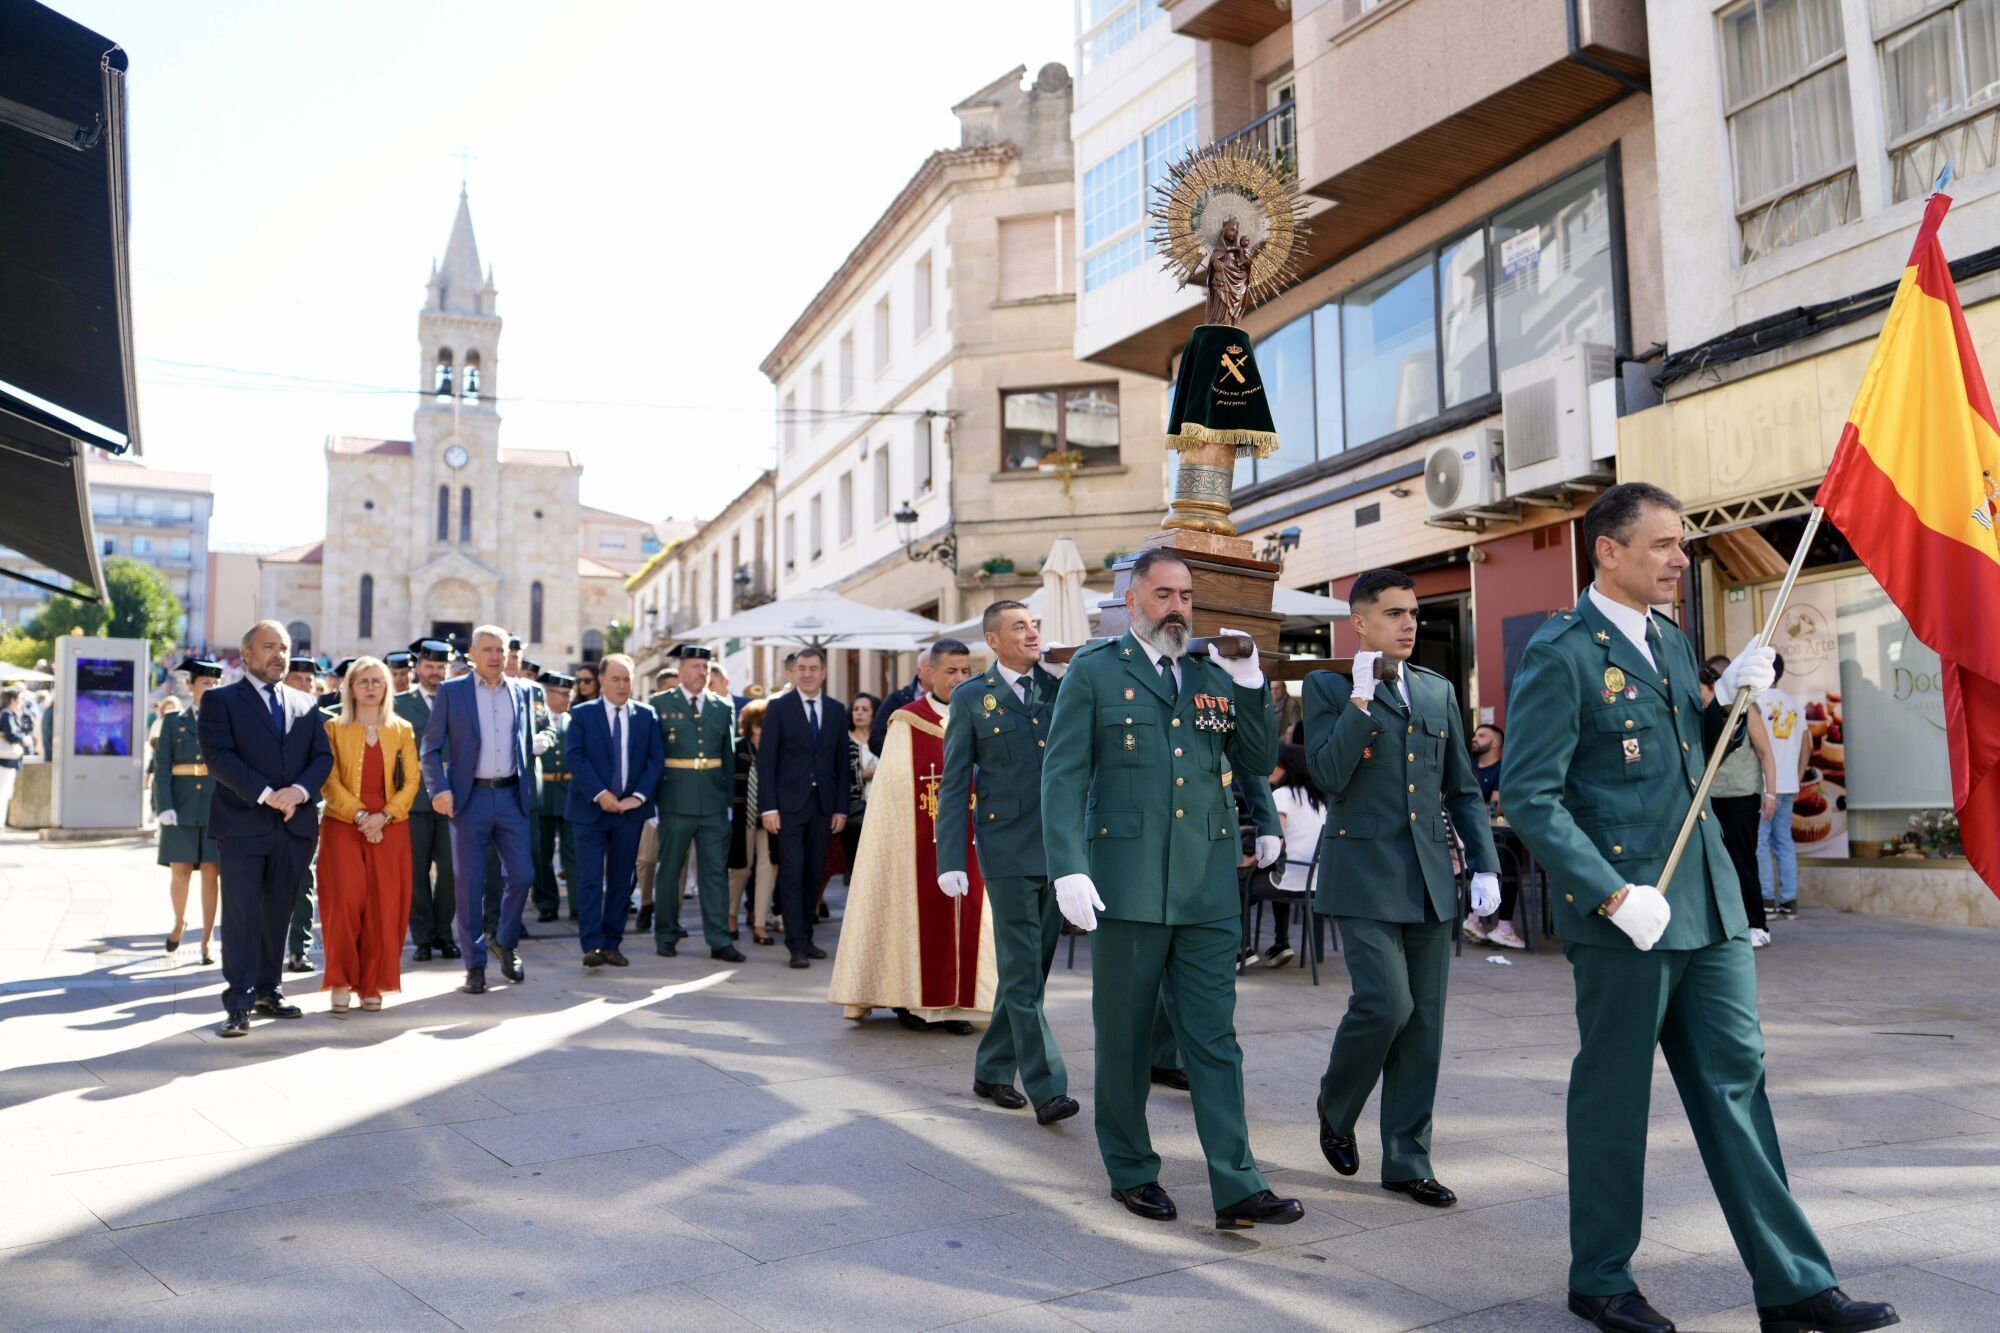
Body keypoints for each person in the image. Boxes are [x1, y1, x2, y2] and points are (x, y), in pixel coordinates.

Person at [1502, 482, 1896, 1333]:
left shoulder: (1675, 643)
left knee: (1737, 1086)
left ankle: (1792, 1284)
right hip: (1628, 912)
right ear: (1608, 551)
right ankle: (1600, 1276)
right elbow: (1531, 796)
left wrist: (1723, 698)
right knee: (1613, 1095)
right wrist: (1607, 891)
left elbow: (1688, 757)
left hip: (1705, 902)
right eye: (1663, 545)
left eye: (1682, 544)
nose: (1681, 559)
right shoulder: (1561, 652)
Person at [1041, 549, 1298, 1230]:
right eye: (1164, 594)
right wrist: (1067, 865)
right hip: (1125, 885)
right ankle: (1130, 1167)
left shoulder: (1214, 674)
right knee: (1124, 1037)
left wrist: (1250, 683)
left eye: (1186, 595)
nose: (1178, 607)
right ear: (1132, 601)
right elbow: (1063, 777)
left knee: (1214, 1037)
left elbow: (1251, 762)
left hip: (1208, 882)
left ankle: (1238, 1183)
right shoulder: (1096, 672)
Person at [1304, 568, 1499, 1210]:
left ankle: (1407, 1159)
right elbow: (1331, 774)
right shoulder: (1328, 687)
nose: (1410, 623)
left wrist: (1486, 863)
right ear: (1359, 622)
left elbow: (1461, 789)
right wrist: (1360, 700)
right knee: (1386, 1005)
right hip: (1361, 875)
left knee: (1426, 1027)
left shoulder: (1438, 691)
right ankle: (1337, 1106)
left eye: (1413, 612)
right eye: (1394, 613)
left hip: (1428, 879)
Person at [935, 602, 1079, 1123]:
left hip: (1059, 850)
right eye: (1020, 626)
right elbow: (954, 785)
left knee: (1031, 972)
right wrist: (949, 856)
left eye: (1035, 624)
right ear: (993, 640)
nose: (1033, 632)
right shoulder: (973, 698)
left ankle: (993, 1068)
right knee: (1021, 971)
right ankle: (1048, 1087)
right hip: (1005, 851)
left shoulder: (1060, 687)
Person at [831, 638, 995, 1030]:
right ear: (929, 674)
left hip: (973, 839)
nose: (958, 679)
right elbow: (891, 797)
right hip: (917, 843)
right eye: (950, 672)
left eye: (964, 671)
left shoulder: (983, 714)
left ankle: (956, 1005)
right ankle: (913, 1003)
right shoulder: (907, 722)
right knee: (914, 913)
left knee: (969, 914)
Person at [198, 620, 334, 1037]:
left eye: (284, 648)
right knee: (241, 915)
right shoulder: (220, 701)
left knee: (279, 911)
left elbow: (321, 757)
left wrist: (297, 791)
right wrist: (266, 794)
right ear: (247, 655)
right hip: (243, 826)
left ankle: (268, 990)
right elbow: (219, 758)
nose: (279, 655)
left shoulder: (305, 703)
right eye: (269, 647)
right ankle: (238, 1001)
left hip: (294, 827)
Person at [421, 623, 549, 994]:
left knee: (523, 876)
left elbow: (536, 735)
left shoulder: (524, 692)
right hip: (469, 799)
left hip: (512, 797)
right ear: (473, 655)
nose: (496, 656)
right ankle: (474, 964)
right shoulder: (452, 692)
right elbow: (429, 749)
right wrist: (438, 790)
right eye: (488, 650)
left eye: (502, 650)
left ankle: (504, 943)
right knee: (469, 885)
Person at [317, 656, 420, 1012]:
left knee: (383, 905)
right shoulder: (333, 729)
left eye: (378, 681)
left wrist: (385, 816)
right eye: (364, 681)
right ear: (350, 688)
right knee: (343, 904)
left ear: (388, 687)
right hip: (343, 823)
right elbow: (328, 781)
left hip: (390, 826)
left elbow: (412, 782)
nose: (371, 687)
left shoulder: (402, 729)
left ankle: (373, 983)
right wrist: (361, 815)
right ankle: (342, 979)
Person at [565, 653, 663, 967]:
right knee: (590, 878)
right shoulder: (582, 714)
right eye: (616, 679)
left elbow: (654, 760)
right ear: (602, 681)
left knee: (622, 880)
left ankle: (611, 943)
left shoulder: (646, 715)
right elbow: (576, 758)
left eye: (627, 680)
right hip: (590, 810)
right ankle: (592, 945)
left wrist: (637, 797)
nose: (622, 686)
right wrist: (600, 794)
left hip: (629, 812)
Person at [756, 645, 850, 967]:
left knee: (814, 874)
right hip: (788, 806)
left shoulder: (837, 711)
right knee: (792, 873)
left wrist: (840, 809)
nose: (807, 674)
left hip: (823, 806)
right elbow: (765, 761)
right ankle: (795, 943)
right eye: (802, 668)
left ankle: (807, 936)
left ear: (823, 672)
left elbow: (842, 763)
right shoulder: (779, 709)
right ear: (794, 672)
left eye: (813, 668)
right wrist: (768, 808)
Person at [651, 646, 740, 961]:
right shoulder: (660, 705)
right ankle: (665, 933)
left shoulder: (721, 707)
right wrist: (653, 804)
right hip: (674, 800)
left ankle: (719, 939)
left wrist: (728, 802)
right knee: (670, 870)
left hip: (713, 802)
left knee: (714, 872)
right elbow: (653, 757)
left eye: (705, 667)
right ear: (681, 670)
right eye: (695, 666)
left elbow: (728, 757)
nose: (702, 673)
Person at [153, 659, 223, 964]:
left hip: (213, 806)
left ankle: (207, 941)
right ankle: (179, 922)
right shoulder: (173, 722)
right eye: (205, 683)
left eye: (215, 684)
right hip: (180, 806)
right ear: (190, 686)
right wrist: (164, 805)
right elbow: (161, 767)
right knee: (180, 872)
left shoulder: (226, 722)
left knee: (211, 872)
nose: (210, 688)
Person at [1704, 656, 1778, 950]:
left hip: (1741, 795)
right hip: (1710, 796)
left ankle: (1757, 924)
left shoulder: (1748, 709)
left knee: (1742, 860)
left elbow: (1765, 752)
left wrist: (1770, 793)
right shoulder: (1705, 712)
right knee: (1717, 864)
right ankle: (1728, 923)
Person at [396, 640, 459, 961]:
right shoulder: (400, 704)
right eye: (430, 667)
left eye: (441, 667)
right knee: (415, 870)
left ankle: (444, 933)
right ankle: (421, 937)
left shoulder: (459, 701)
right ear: (418, 667)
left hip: (452, 797)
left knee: (450, 870)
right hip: (414, 797)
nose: (435, 673)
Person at [1249, 743, 1323, 968]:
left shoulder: (1282, 795)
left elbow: (1275, 841)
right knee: (1274, 874)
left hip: (1290, 877)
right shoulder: (1318, 798)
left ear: (1289, 768)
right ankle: (1281, 943)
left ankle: (1240, 949)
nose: (1270, 768)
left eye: (1276, 764)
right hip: (1315, 881)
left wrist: (1248, 860)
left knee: (1238, 885)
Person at [1755, 654, 1811, 919]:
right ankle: (1789, 901)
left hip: (1764, 785)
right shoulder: (1794, 704)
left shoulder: (1755, 702)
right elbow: (1806, 744)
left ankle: (1766, 899)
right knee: (1784, 842)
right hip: (1788, 784)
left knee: (1760, 842)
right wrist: (1796, 776)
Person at [1462, 723, 1526, 949]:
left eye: (1482, 735)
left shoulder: (1503, 769)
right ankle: (1501, 926)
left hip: (1489, 836)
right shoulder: (1467, 767)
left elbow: (1497, 807)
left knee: (1506, 851)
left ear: (1496, 742)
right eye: (1475, 734)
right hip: (1469, 838)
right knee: (1506, 855)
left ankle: (1477, 920)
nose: (1475, 738)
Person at [634, 662, 684, 933]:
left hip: (681, 798)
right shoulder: (649, 718)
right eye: (668, 690)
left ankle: (672, 914)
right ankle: (646, 902)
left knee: (679, 860)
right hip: (653, 797)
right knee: (647, 858)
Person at [281, 654, 323, 972]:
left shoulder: (323, 719)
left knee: (303, 880)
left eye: (310, 680)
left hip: (308, 808)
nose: (306, 684)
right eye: (299, 679)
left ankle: (299, 948)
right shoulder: (269, 715)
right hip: (269, 808)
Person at [729, 699, 778, 945]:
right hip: (741, 818)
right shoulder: (737, 747)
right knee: (740, 869)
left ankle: (759, 923)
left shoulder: (775, 749)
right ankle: (731, 916)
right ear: (755, 727)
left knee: (767, 869)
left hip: (769, 818)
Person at [532, 671, 578, 924]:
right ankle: (546, 902)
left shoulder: (576, 721)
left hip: (570, 792)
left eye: (569, 694)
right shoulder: (537, 720)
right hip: (544, 792)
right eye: (561, 694)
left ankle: (577, 904)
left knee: (574, 850)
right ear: (548, 694)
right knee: (541, 851)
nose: (567, 699)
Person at [843, 692, 879, 882]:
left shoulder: (882, 740)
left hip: (879, 810)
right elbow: (839, 774)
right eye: (856, 709)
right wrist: (862, 775)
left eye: (865, 709)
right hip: (853, 813)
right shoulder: (845, 741)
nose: (859, 713)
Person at [870, 660, 930, 757]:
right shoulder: (897, 699)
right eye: (930, 668)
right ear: (919, 672)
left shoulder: (951, 699)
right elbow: (876, 738)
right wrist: (901, 756)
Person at [0, 687, 29, 833]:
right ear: (13, 700)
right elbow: (11, 735)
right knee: (3, 792)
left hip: (5, 760)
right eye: (21, 699)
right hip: (5, 760)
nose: (23, 702)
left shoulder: (5, 713)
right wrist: (23, 738)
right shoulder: (7, 714)